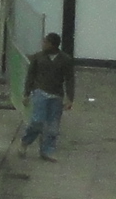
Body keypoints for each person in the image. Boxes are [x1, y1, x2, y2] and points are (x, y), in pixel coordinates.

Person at [17, 31, 77, 161]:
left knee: (53, 126)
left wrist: (70, 98)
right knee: (37, 121)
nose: (43, 44)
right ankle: (25, 142)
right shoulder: (38, 58)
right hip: (40, 93)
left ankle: (47, 151)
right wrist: (26, 93)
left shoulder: (65, 60)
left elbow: (70, 79)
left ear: (52, 44)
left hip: (56, 96)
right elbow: (30, 76)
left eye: (46, 42)